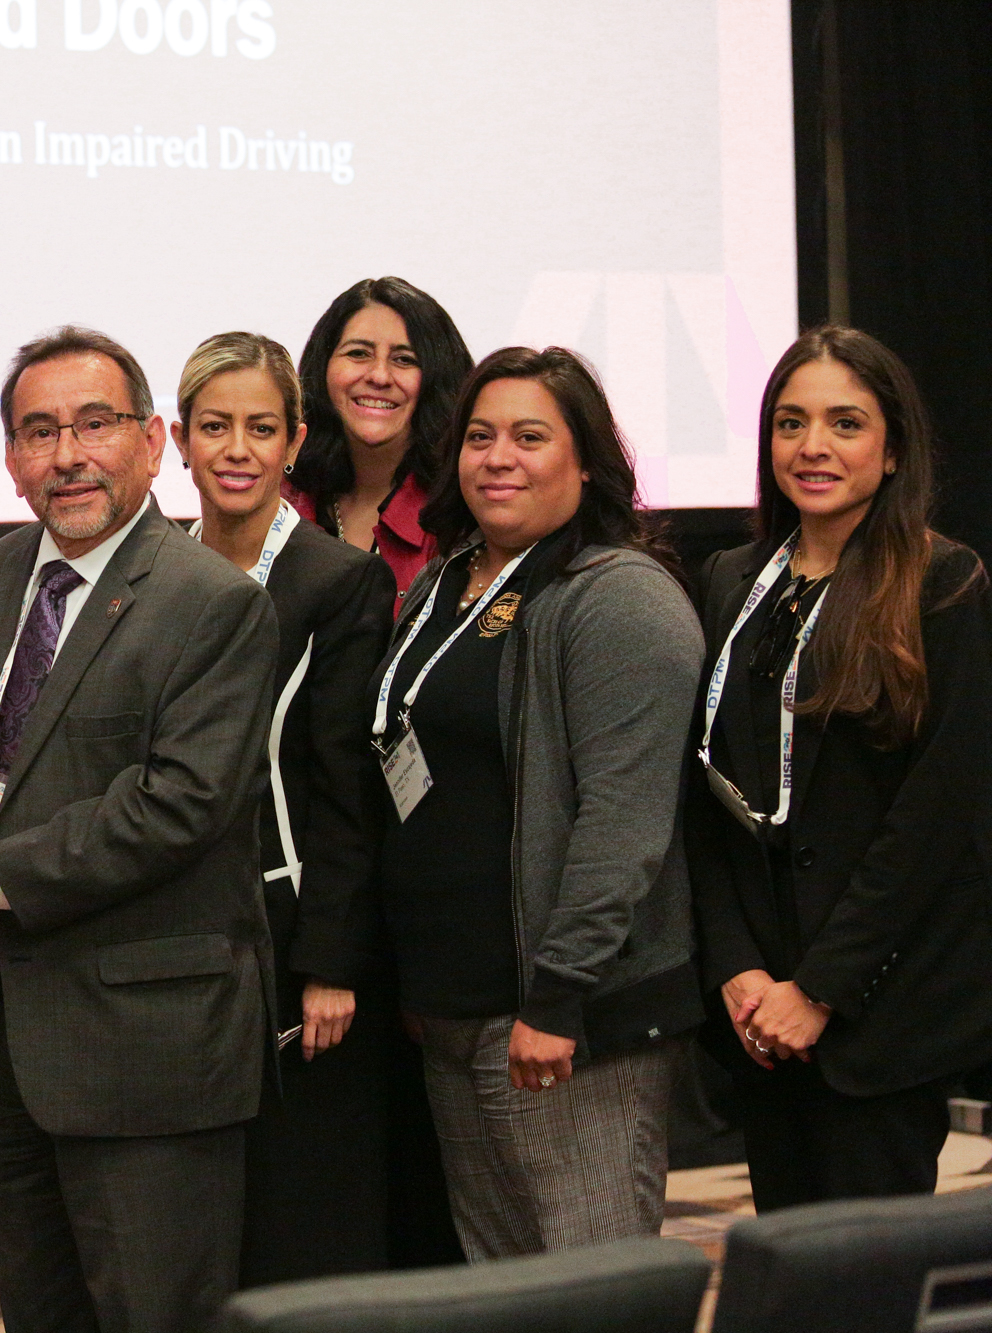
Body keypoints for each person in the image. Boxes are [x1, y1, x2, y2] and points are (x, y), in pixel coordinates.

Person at [0, 326, 279, 1332]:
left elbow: (179, 801)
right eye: (39, 431)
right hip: (11, 1028)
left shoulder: (212, 602)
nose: (67, 455)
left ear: (150, 440)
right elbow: (1, 756)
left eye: (94, 425)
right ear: (9, 461)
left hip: (148, 1045)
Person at [374, 346, 703, 1260]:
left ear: (586, 460)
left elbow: (624, 824)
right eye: (479, 436)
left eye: (529, 436)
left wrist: (559, 997)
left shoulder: (618, 598)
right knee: (504, 1286)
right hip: (454, 1009)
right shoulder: (448, 581)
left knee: (589, 1284)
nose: (497, 457)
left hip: (565, 1020)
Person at [688, 326, 992, 1212]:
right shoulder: (732, 580)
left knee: (868, 1288)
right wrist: (737, 969)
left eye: (845, 423)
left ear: (893, 450)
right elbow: (704, 792)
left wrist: (820, 988)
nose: (812, 445)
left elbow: (938, 817)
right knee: (793, 1280)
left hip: (878, 1010)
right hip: (758, 1015)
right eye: (791, 422)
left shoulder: (945, 583)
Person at [170, 331, 395, 1281]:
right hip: (172, 933)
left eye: (261, 427)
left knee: (299, 1219)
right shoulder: (154, 570)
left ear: (296, 440)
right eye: (215, 426)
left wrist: (331, 962)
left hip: (288, 937)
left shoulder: (339, 580)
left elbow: (346, 788)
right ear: (177, 439)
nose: (237, 449)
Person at [290, 276, 472, 610]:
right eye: (358, 353)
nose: (379, 376)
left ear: (437, 379)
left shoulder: (464, 514)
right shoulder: (281, 501)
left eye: (404, 359)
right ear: (323, 368)